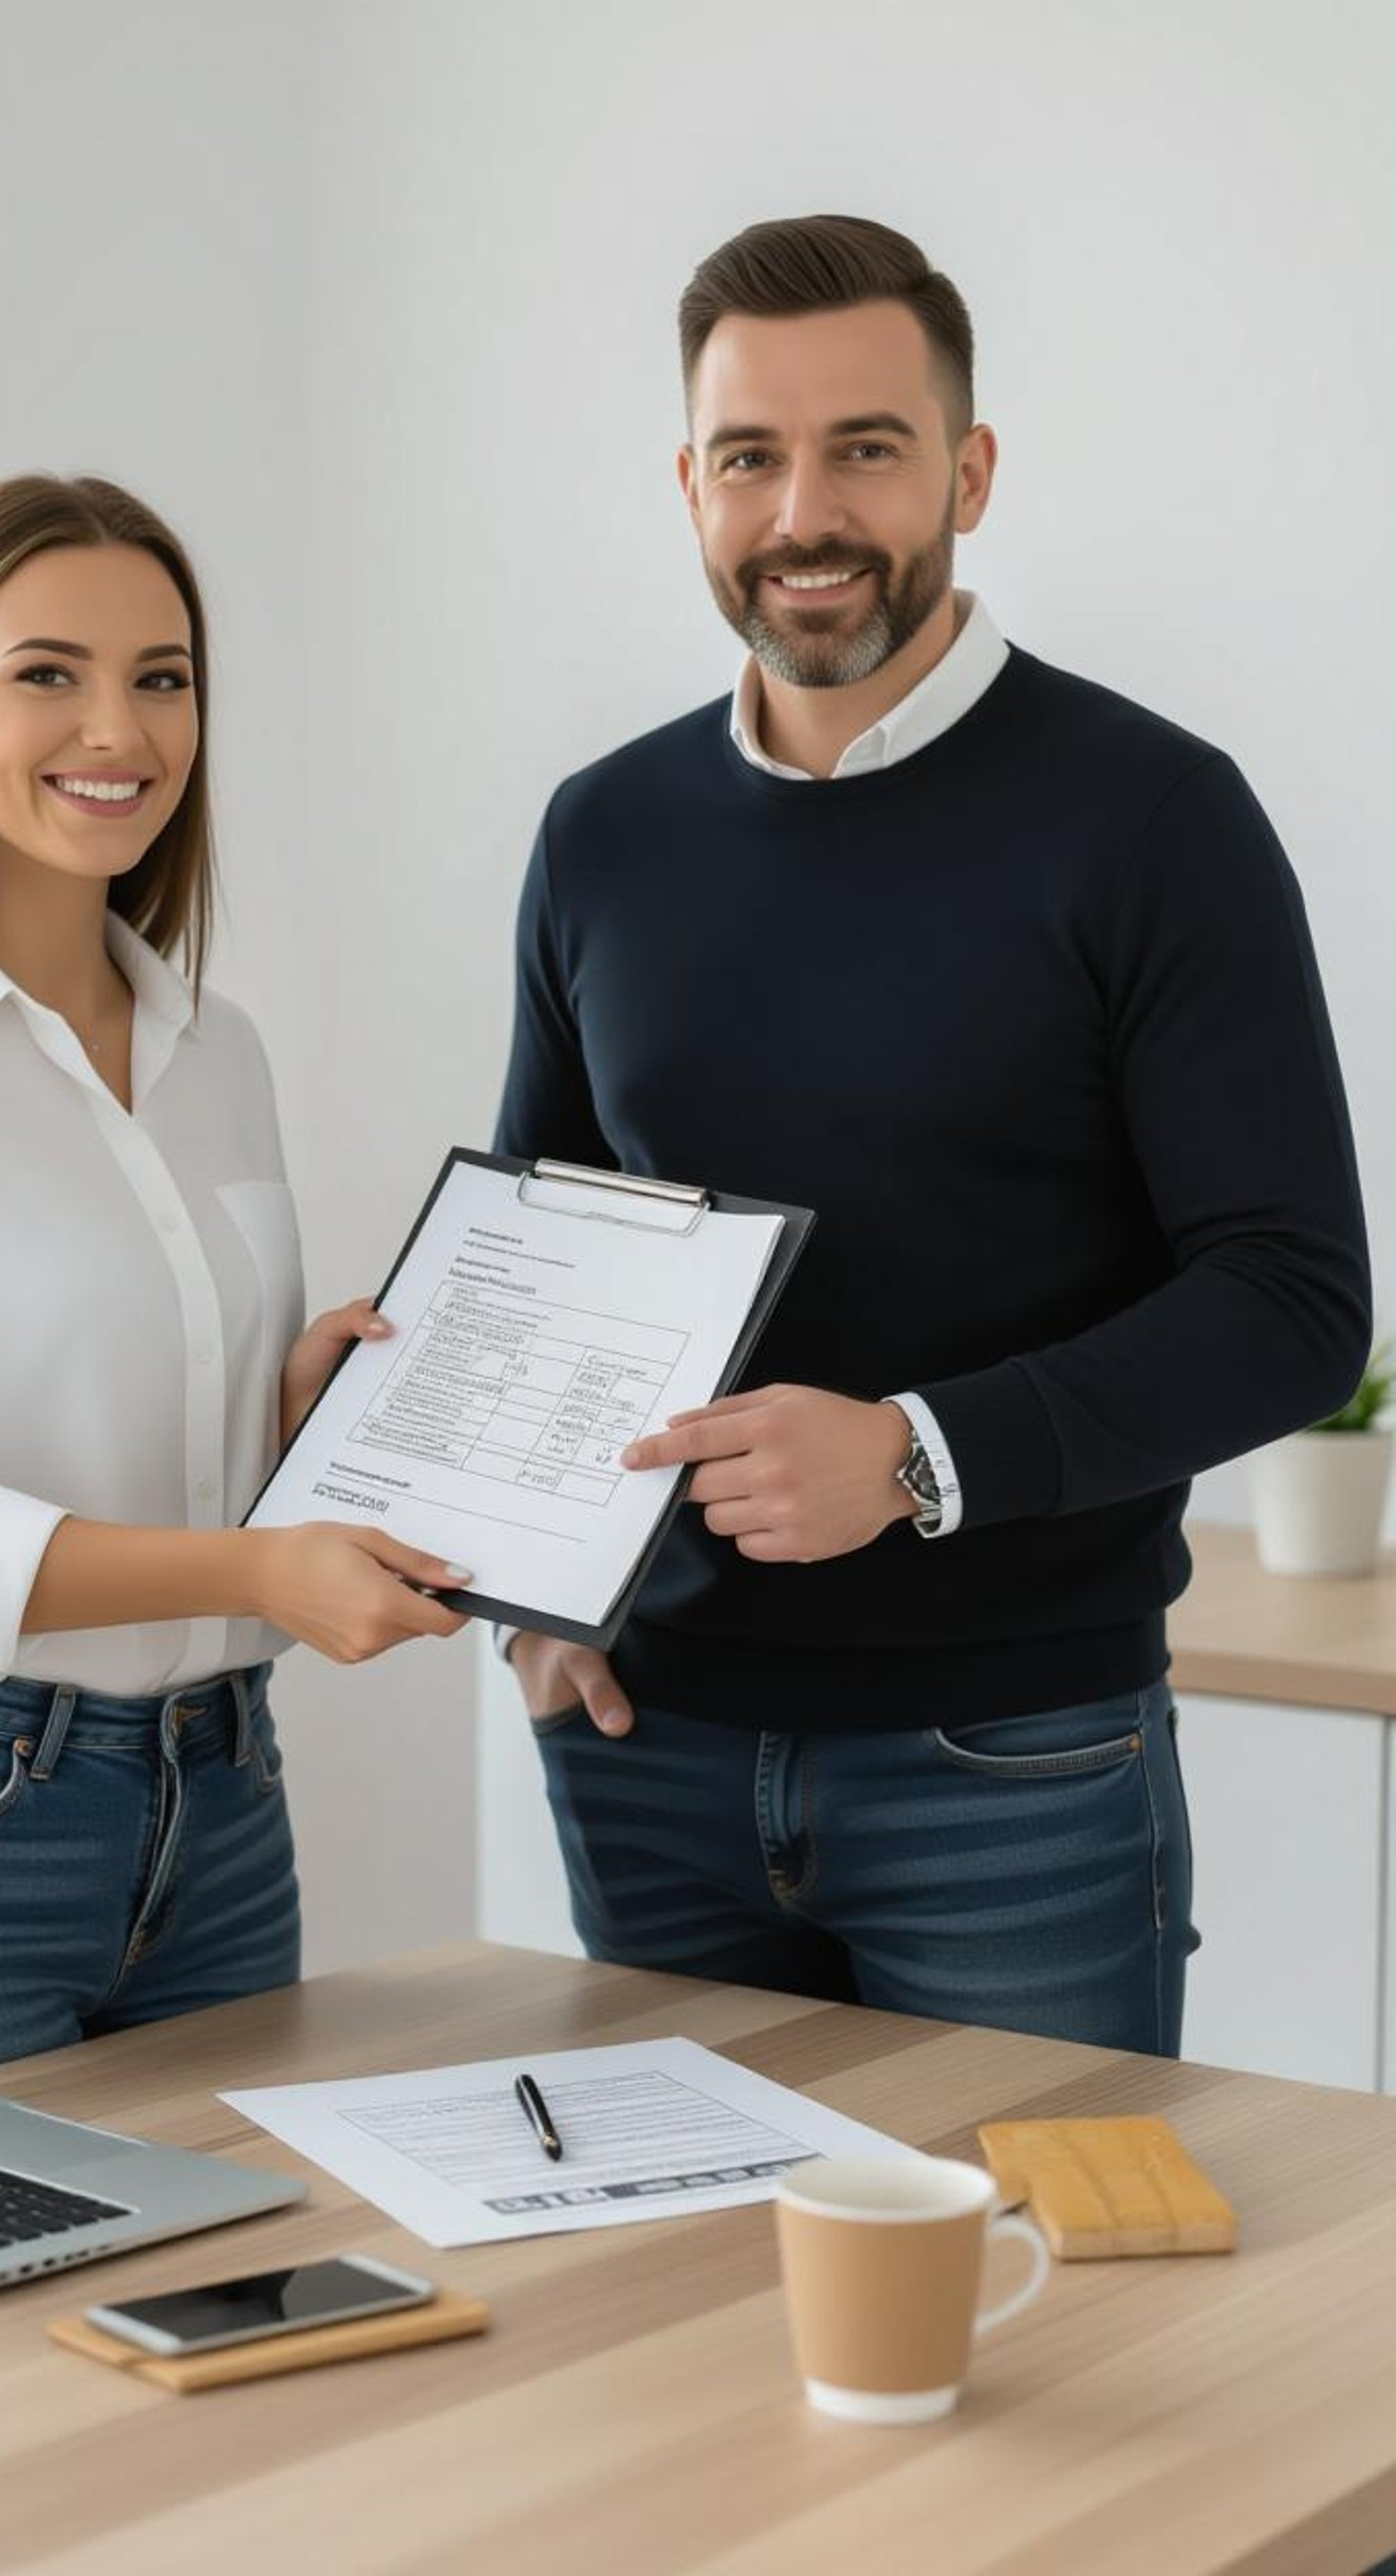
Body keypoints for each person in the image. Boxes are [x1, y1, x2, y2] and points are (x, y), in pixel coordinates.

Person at [494, 215, 1371, 2053]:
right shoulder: (602, 834)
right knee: (681, 2325)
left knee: (1055, 2330)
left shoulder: (1155, 820)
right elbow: (548, 1259)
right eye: (752, 456)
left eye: (866, 448)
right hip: (648, 1755)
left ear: (967, 470)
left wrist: (914, 1455)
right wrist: (531, 1590)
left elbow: (1295, 1299)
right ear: (691, 485)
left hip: (1016, 1765)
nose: (804, 511)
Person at [0, 473, 470, 2078]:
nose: (115, 728)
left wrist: (292, 1428)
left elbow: (148, 1455)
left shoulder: (222, 1050)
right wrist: (257, 1573)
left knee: (229, 2304)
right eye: (48, 672)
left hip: (225, 1800)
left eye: (162, 677)